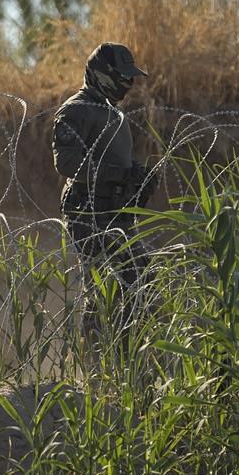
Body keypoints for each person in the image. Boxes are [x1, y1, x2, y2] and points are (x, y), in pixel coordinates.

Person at [51, 42, 158, 337]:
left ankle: (125, 355)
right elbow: (67, 161)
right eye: (123, 75)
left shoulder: (110, 112)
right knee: (101, 287)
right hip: (88, 209)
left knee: (140, 279)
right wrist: (118, 176)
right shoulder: (77, 110)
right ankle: (95, 361)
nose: (129, 83)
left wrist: (137, 177)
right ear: (103, 74)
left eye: (130, 76)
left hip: (114, 210)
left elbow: (113, 158)